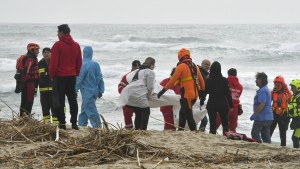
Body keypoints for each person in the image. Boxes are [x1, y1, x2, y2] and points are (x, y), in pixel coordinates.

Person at [157, 48, 205, 131]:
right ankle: (180, 130)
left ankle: (194, 132)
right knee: (182, 113)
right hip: (195, 94)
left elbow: (172, 81)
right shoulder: (195, 66)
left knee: (189, 115)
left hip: (187, 95)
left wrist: (162, 91)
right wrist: (202, 95)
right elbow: (202, 81)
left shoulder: (181, 66)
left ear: (180, 56)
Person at [49, 24, 82, 130]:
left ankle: (62, 123)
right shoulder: (76, 45)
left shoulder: (58, 45)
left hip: (60, 77)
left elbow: (53, 63)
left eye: (58, 32)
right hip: (72, 76)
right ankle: (74, 123)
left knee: (60, 101)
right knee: (73, 100)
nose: (57, 34)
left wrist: (51, 75)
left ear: (62, 32)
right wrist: (76, 73)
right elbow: (79, 62)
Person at [121, 57, 156, 130]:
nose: (154, 67)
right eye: (154, 65)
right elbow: (150, 87)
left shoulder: (138, 71)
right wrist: (148, 97)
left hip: (129, 94)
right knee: (146, 111)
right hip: (139, 95)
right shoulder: (150, 72)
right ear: (152, 65)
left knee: (138, 112)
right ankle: (143, 130)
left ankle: (137, 129)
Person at [76, 46, 104, 128]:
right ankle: (81, 124)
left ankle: (97, 126)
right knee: (85, 109)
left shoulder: (82, 64)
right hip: (94, 90)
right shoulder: (96, 64)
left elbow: (79, 79)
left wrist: (75, 90)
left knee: (91, 110)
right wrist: (101, 90)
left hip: (86, 91)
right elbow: (100, 78)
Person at [204, 61, 233, 135]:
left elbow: (204, 92)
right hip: (222, 104)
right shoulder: (224, 80)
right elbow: (228, 93)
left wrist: (201, 101)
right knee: (225, 124)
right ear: (220, 69)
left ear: (211, 69)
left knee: (212, 125)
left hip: (211, 104)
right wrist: (231, 105)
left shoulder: (208, 80)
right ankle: (225, 137)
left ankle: (212, 137)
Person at [216, 68, 243, 132]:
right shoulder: (240, 86)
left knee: (215, 125)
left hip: (224, 106)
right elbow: (238, 96)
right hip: (235, 109)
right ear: (236, 75)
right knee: (233, 129)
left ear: (228, 74)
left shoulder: (225, 81)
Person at [250, 72, 273, 143]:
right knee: (265, 136)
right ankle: (268, 147)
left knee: (255, 133)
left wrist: (254, 114)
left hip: (262, 118)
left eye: (257, 79)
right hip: (268, 117)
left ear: (261, 80)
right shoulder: (266, 89)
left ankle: (258, 146)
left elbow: (262, 105)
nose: (255, 81)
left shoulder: (263, 90)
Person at [118, 60, 141, 129]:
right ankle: (129, 128)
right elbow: (120, 87)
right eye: (135, 68)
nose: (136, 70)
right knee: (127, 113)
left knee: (140, 114)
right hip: (128, 100)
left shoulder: (143, 76)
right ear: (132, 68)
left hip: (139, 99)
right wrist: (126, 92)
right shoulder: (126, 76)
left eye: (138, 68)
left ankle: (139, 129)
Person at [270, 76, 292, 146]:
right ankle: (266, 144)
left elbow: (292, 104)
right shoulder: (272, 92)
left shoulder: (288, 93)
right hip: (274, 114)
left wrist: (289, 117)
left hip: (284, 115)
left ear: (282, 84)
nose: (276, 86)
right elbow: (268, 102)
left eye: (278, 85)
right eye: (275, 85)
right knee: (270, 130)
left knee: (283, 133)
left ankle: (283, 146)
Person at [38, 47, 59, 124]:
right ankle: (47, 124)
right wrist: (35, 89)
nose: (46, 54)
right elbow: (37, 77)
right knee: (45, 109)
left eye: (48, 52)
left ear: (51, 54)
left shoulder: (54, 62)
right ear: (42, 54)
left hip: (53, 91)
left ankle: (56, 124)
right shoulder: (40, 64)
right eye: (45, 52)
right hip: (43, 92)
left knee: (55, 109)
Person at [19, 43, 40, 116]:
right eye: (37, 49)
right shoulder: (30, 59)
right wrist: (25, 82)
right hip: (29, 83)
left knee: (24, 100)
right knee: (29, 100)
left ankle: (22, 117)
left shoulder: (29, 57)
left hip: (27, 83)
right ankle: (26, 118)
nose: (38, 51)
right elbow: (26, 71)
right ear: (32, 49)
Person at [197, 59, 210, 132]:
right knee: (204, 119)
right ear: (202, 64)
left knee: (202, 118)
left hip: (201, 99)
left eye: (209, 65)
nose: (207, 66)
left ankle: (199, 131)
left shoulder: (206, 74)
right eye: (206, 64)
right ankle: (199, 131)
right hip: (196, 99)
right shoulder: (199, 72)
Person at [288, 79, 300, 148]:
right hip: (296, 119)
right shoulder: (295, 96)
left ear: (298, 87)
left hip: (299, 120)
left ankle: (297, 152)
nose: (291, 89)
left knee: (295, 137)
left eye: (293, 87)